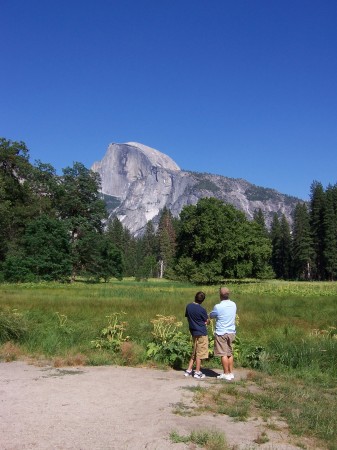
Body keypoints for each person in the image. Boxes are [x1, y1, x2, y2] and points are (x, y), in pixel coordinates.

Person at [209, 287, 237, 380]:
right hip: (231, 331)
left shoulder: (218, 306)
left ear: (220, 295)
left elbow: (212, 315)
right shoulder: (233, 304)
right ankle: (231, 372)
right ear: (228, 294)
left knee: (223, 354)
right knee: (230, 353)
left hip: (221, 332)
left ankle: (226, 373)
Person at [184, 291, 210, 379]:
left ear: (195, 297)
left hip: (193, 331)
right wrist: (208, 320)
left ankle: (188, 370)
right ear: (203, 300)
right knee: (200, 353)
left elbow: (188, 318)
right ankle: (197, 372)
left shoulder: (188, 306)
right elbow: (207, 321)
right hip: (202, 332)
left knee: (195, 351)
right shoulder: (202, 310)